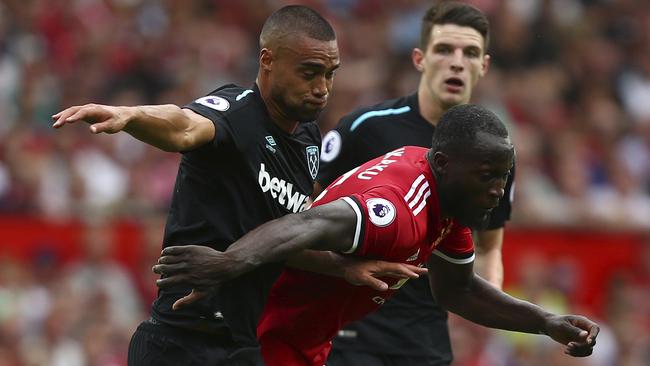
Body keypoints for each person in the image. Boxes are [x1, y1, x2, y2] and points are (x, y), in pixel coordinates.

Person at [52, 5, 424, 366]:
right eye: (309, 72)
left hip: (242, 346)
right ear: (268, 61)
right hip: (180, 342)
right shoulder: (236, 113)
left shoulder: (309, 139)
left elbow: (276, 238)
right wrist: (132, 116)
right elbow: (183, 125)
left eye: (330, 74)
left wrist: (342, 267)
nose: (322, 88)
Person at [153, 104, 600, 366]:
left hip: (303, 341)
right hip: (265, 338)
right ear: (444, 164)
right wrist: (228, 263)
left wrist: (545, 322)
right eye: (487, 176)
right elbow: (307, 223)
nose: (498, 190)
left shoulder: (447, 200)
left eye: (503, 177)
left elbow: (457, 291)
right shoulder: (399, 209)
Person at [316, 2, 511, 364]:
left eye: (470, 53)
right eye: (444, 50)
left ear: (483, 66)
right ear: (420, 58)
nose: (456, 62)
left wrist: (485, 301)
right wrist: (341, 269)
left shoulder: (494, 155)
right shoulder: (365, 128)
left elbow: (487, 248)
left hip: (426, 338)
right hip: (353, 331)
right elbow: (308, 215)